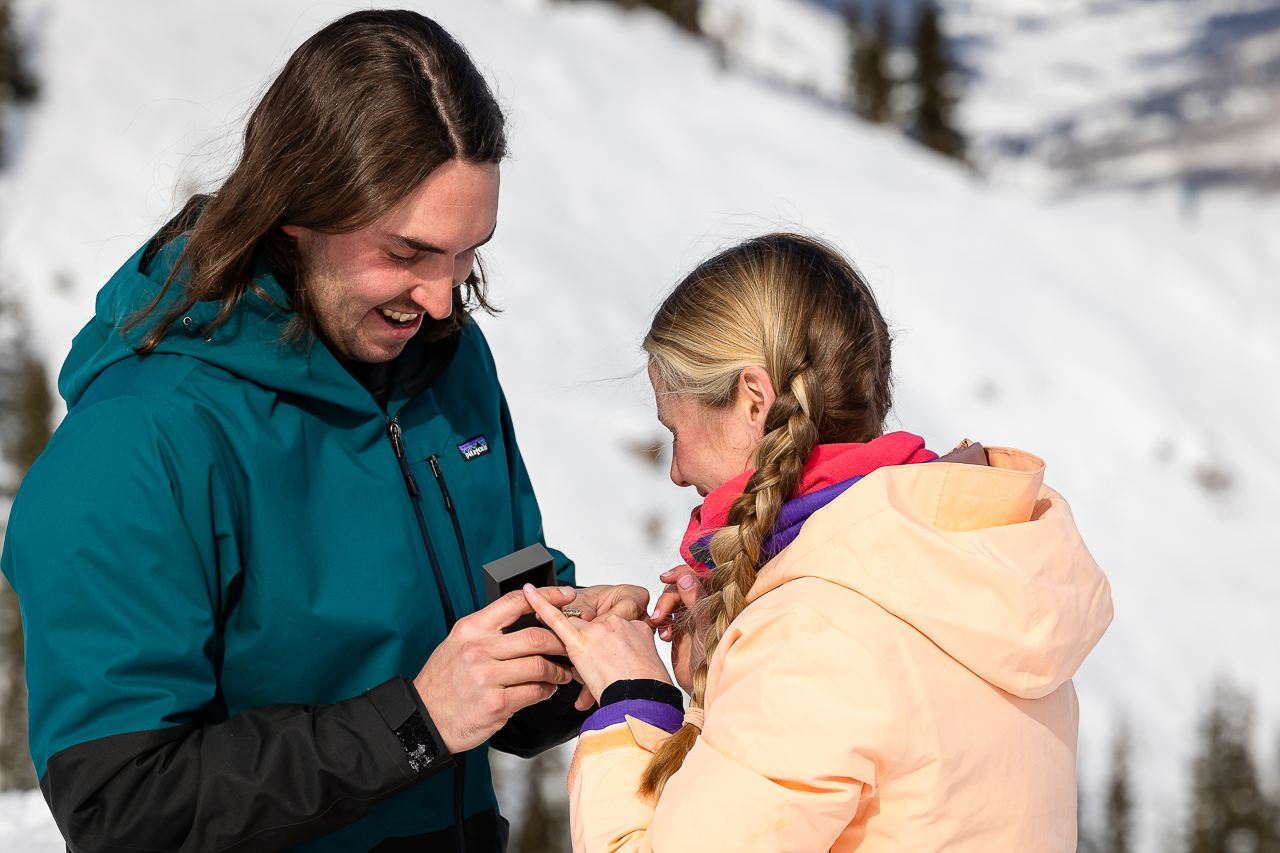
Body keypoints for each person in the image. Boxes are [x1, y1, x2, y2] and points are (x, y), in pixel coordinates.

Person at [0, 10, 646, 853]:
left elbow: (502, 603)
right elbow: (122, 805)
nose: (444, 300)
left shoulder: (446, 367)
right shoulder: (140, 443)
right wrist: (416, 721)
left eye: (465, 255)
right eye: (408, 253)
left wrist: (579, 646)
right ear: (296, 209)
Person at [523, 233, 1115, 852]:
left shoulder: (815, 633)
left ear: (754, 402)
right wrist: (726, 674)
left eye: (675, 428)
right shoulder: (966, 565)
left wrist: (634, 701)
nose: (676, 471)